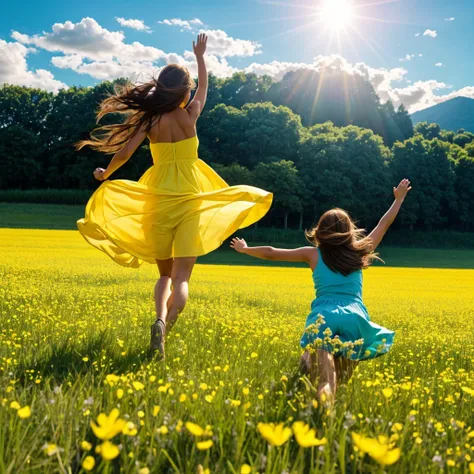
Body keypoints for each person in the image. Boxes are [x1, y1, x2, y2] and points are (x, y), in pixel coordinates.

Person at [76, 34, 273, 359]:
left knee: (164, 274)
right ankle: (166, 324)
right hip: (190, 197)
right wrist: (201, 57)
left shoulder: (151, 120)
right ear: (184, 91)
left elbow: (125, 152)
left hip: (158, 196)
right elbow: (204, 89)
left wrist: (105, 174)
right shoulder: (190, 113)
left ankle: (158, 318)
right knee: (182, 278)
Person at [231, 179, 412, 403]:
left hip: (324, 316)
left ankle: (320, 412)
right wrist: (399, 199)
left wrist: (246, 249)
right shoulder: (359, 251)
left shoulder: (312, 254)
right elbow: (383, 225)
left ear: (321, 230)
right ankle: (325, 412)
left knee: (326, 381)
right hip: (354, 318)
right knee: (341, 381)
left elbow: (271, 252)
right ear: (348, 230)